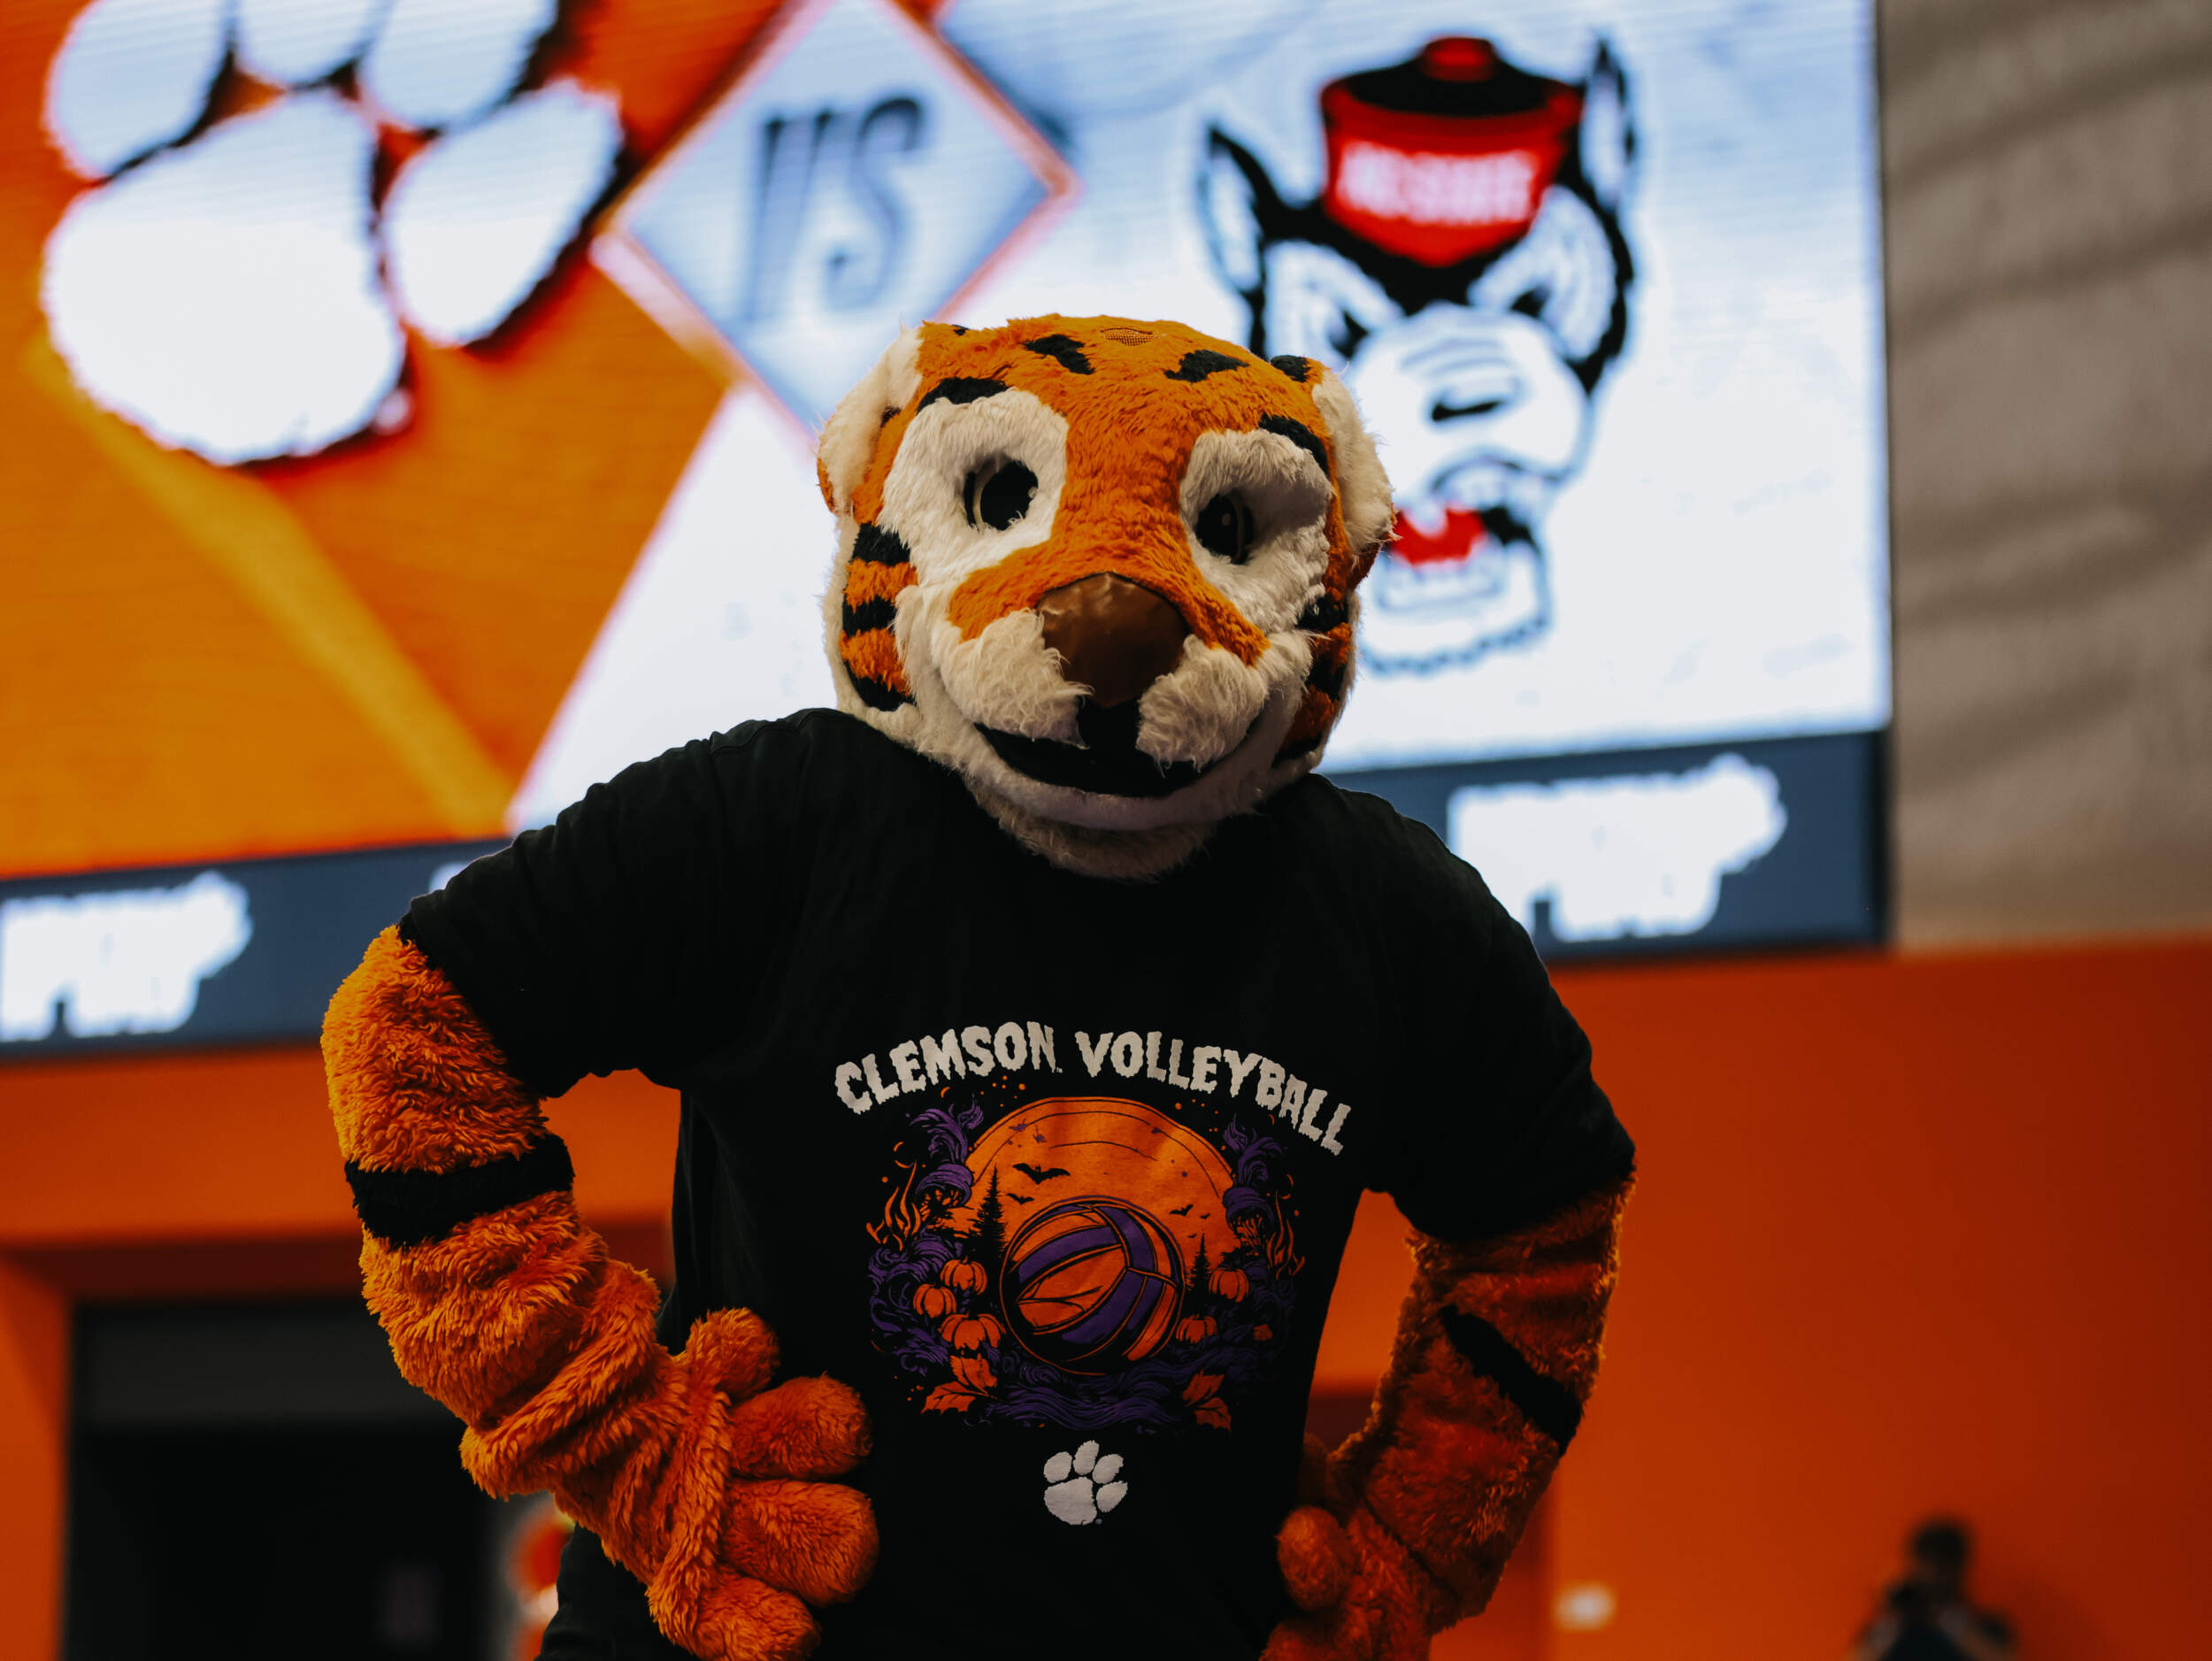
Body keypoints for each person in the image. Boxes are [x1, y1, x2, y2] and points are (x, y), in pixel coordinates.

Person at [322, 315, 1634, 1661]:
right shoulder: (779, 821)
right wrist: (620, 1433)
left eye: (1229, 529)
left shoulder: (1376, 905)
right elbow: (418, 1020)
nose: (1114, 621)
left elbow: (1546, 1222)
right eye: (1003, 499)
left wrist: (1408, 1543)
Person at [1853, 1519, 2015, 1661]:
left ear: (1958, 1571)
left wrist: (1948, 1619)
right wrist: (1893, 1616)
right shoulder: (1892, 1627)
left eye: (1941, 1569)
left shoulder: (1985, 1626)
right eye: (1922, 1568)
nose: (1931, 1579)